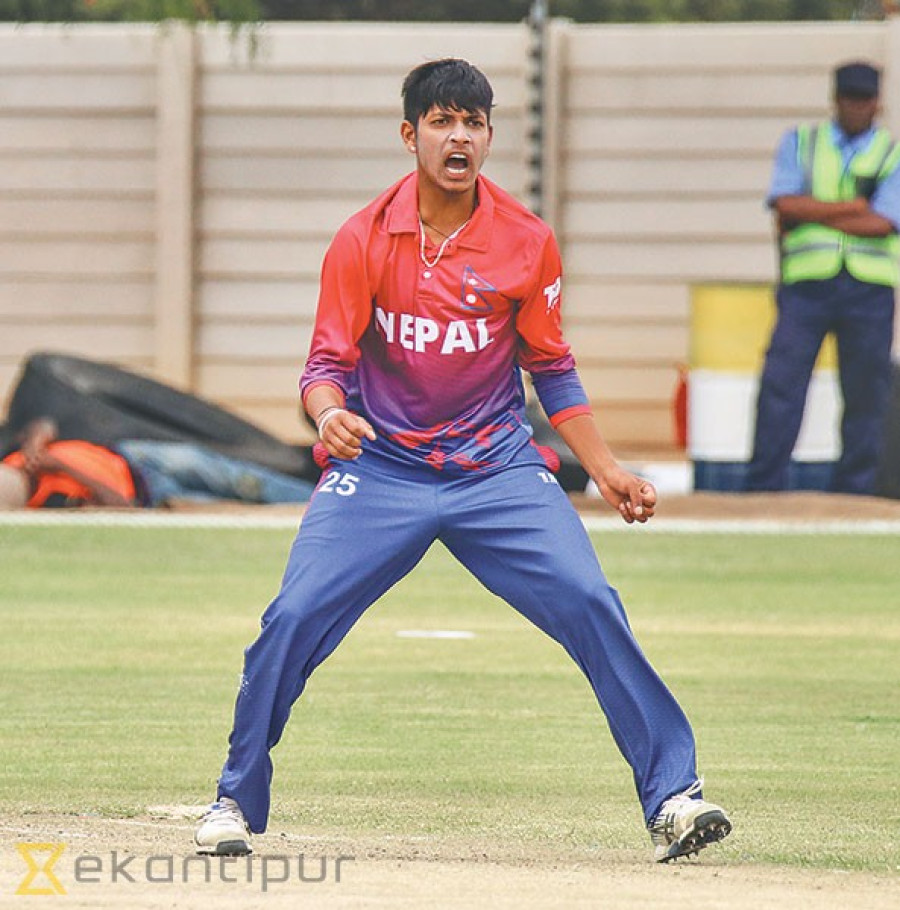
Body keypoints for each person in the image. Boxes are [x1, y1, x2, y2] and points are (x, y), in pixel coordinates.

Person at [194, 58, 732, 864]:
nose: (460, 136)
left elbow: (551, 368)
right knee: (295, 617)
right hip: (381, 470)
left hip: (496, 471)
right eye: (442, 121)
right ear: (410, 135)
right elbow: (323, 366)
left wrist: (609, 467)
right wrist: (330, 414)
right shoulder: (362, 238)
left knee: (590, 600)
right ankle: (235, 796)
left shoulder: (527, 241)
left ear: (488, 136)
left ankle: (675, 799)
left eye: (474, 122)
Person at [746, 61, 900, 495]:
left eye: (864, 98)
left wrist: (813, 212)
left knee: (866, 392)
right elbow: (784, 205)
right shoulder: (802, 143)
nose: (857, 106)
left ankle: (856, 493)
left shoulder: (891, 153)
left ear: (877, 102)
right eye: (849, 97)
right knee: (781, 384)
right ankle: (764, 489)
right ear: (835, 100)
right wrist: (853, 207)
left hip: (868, 289)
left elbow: (885, 223)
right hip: (806, 287)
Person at [0, 418, 315, 509]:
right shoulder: (51, 504)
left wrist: (35, 445)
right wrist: (62, 468)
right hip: (151, 493)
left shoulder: (20, 457)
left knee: (239, 477)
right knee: (236, 500)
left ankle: (318, 497)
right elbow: (121, 506)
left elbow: (45, 422)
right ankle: (311, 507)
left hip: (133, 456)